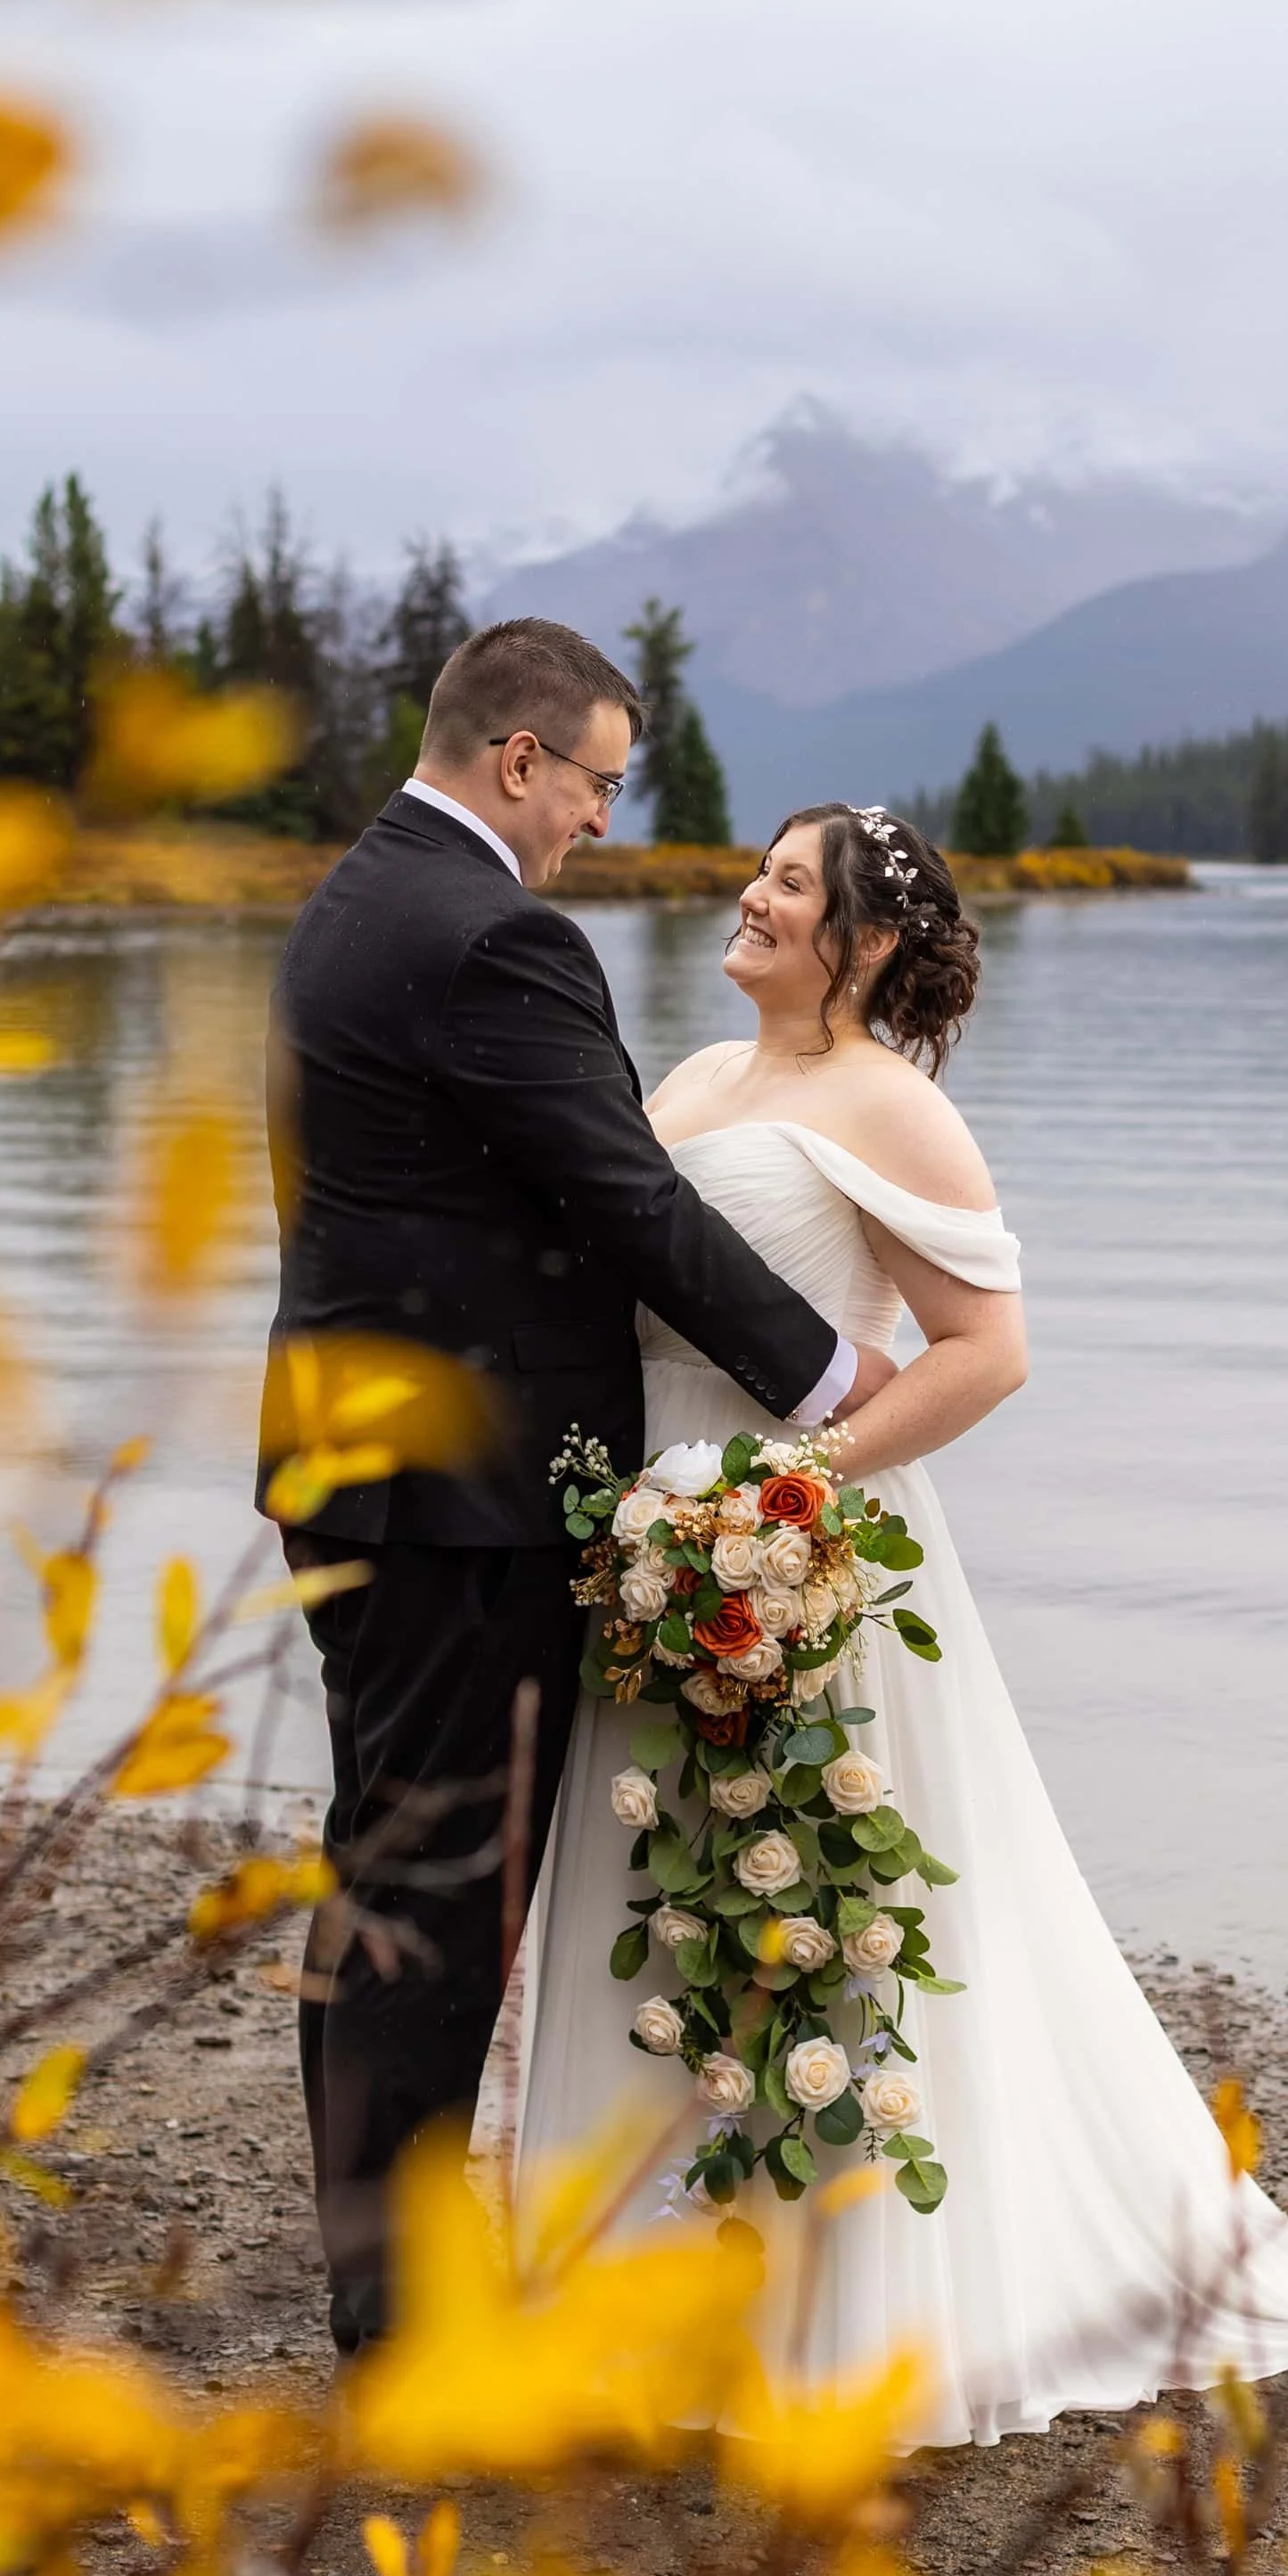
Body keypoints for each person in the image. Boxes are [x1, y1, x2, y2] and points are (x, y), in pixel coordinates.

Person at [512, 799, 1288, 2446]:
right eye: (759, 870)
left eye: (789, 883)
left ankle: (838, 2305)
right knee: (653, 1873)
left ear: (864, 943)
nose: (750, 895)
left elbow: (988, 1352)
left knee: (820, 1907)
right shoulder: (687, 1081)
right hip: (654, 1547)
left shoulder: (895, 1108)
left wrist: (789, 1498)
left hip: (802, 1552)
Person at [261, 624, 897, 2354]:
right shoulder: (495, 936)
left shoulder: (349, 900)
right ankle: (401, 2321)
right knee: (439, 1896)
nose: (603, 820)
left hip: (349, 1466)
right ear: (521, 759)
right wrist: (832, 1379)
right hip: (459, 1501)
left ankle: (376, 2274)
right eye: (599, 782)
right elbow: (629, 1201)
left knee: (376, 1866)